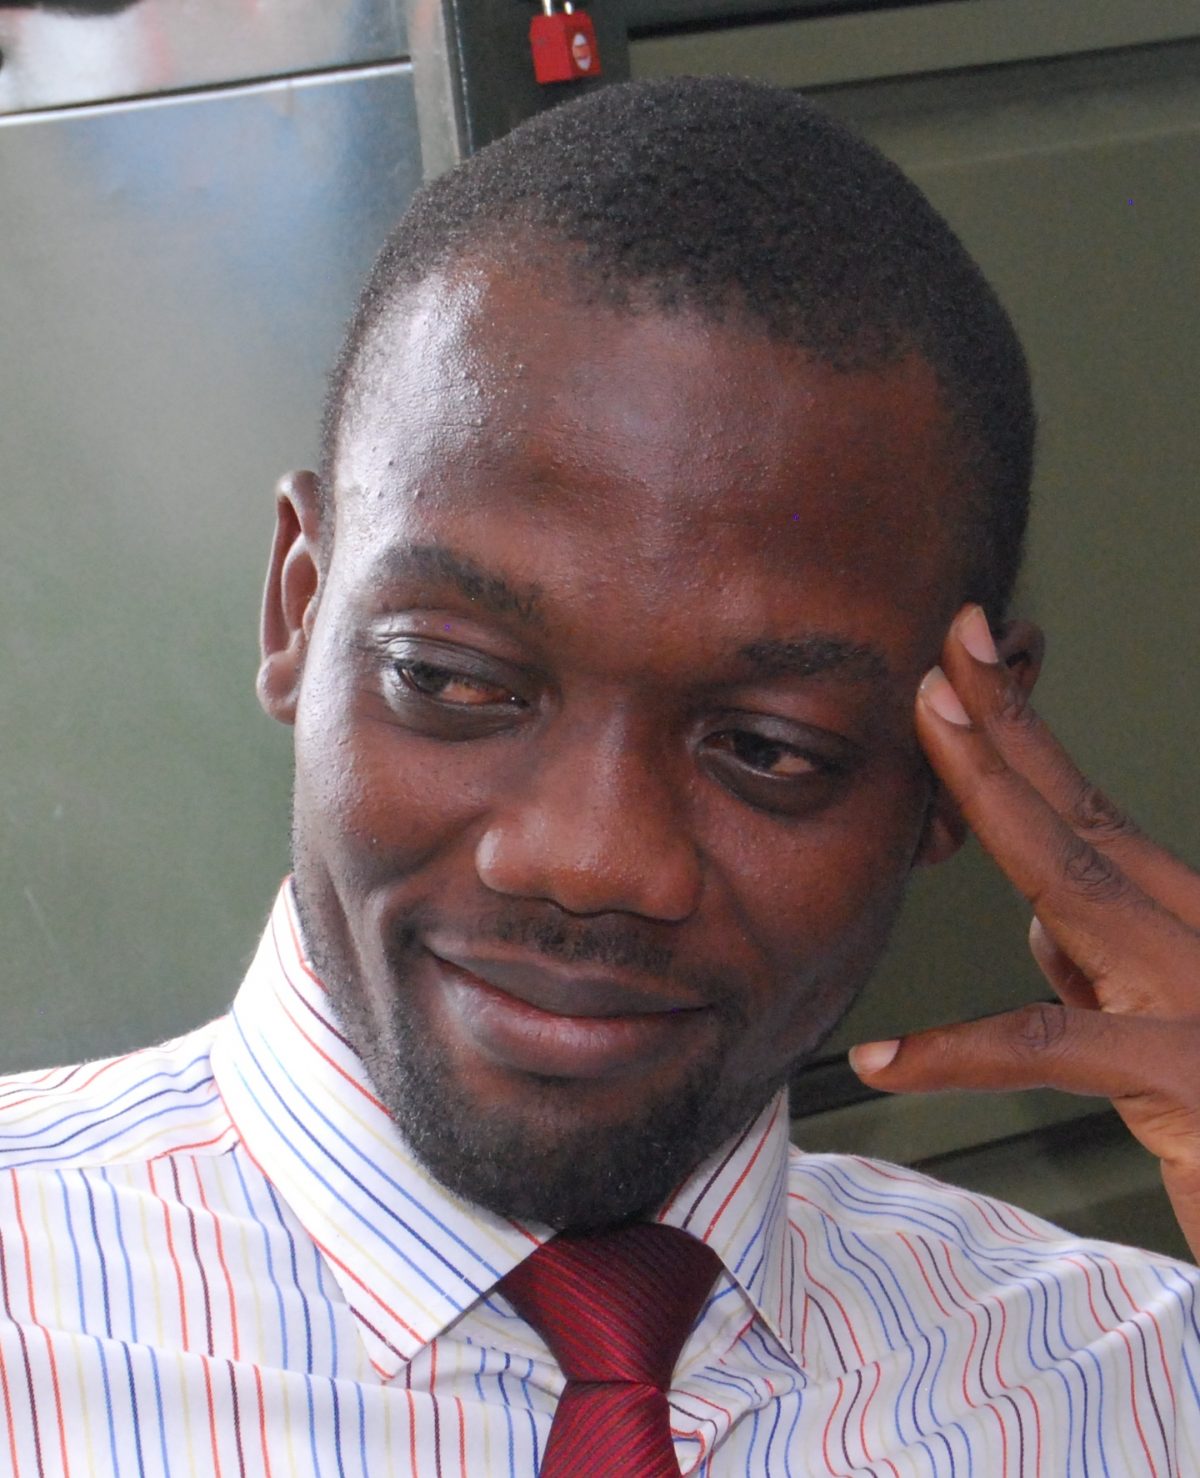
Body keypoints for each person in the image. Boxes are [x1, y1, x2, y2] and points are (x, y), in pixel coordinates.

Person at [2, 75, 1199, 1475]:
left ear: (956, 762)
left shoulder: (1139, 1382)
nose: (591, 855)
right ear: (298, 606)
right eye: (452, 680)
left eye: (768, 749)